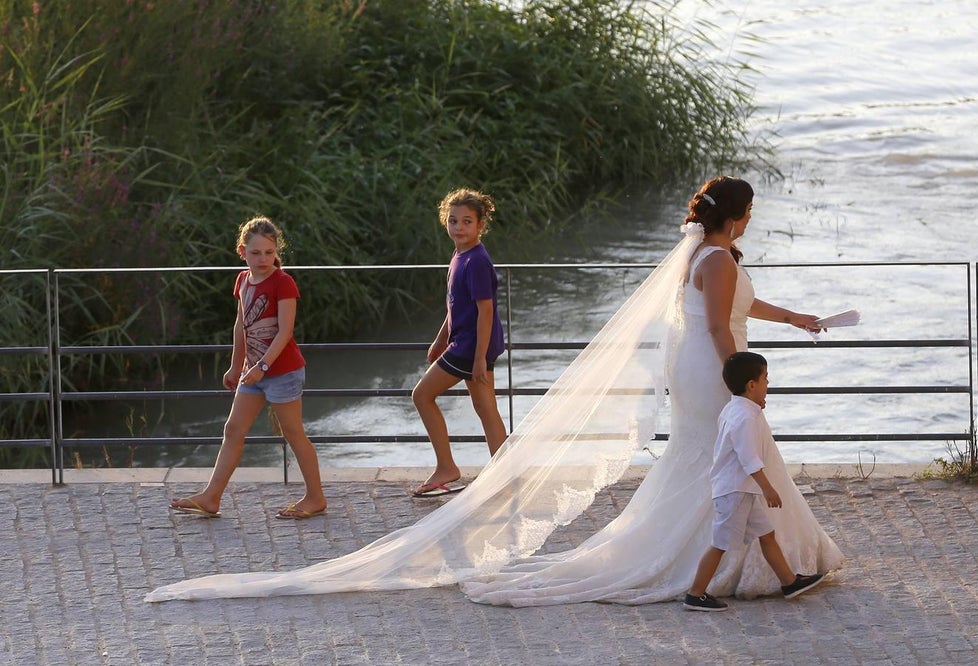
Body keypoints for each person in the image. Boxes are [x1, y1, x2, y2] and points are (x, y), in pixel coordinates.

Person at [145, 176, 842, 603]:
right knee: (721, 458)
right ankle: (715, 566)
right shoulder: (716, 259)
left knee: (707, 461)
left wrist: (798, 317)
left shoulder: (703, 254)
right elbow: (723, 327)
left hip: (696, 368)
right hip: (713, 370)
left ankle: (727, 560)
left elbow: (742, 307)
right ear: (739, 217)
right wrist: (743, 385)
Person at [168, 216, 327, 520]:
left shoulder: (283, 282)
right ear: (242, 252)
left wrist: (263, 365)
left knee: (294, 434)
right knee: (233, 429)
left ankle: (315, 497)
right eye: (256, 253)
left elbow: (285, 332)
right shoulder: (242, 280)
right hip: (252, 372)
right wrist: (235, 366)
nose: (263, 259)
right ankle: (211, 497)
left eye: (269, 252)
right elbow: (241, 325)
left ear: (276, 251)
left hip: (282, 371)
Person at [684, 352, 825, 612]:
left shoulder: (737, 408)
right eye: (766, 379)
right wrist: (768, 488)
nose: (768, 384)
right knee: (720, 544)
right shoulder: (745, 418)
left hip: (742, 490)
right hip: (735, 490)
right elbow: (748, 458)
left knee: (767, 534)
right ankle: (696, 593)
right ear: (752, 385)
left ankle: (789, 582)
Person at [410, 189, 509, 498]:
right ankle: (505, 473)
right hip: (467, 343)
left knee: (422, 395)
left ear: (480, 225)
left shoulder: (477, 260)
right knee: (486, 408)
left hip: (470, 347)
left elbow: (486, 310)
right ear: (446, 223)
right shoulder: (460, 255)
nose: (459, 227)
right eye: (453, 221)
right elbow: (456, 306)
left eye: (467, 221)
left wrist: (479, 358)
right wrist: (440, 339)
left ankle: (446, 467)